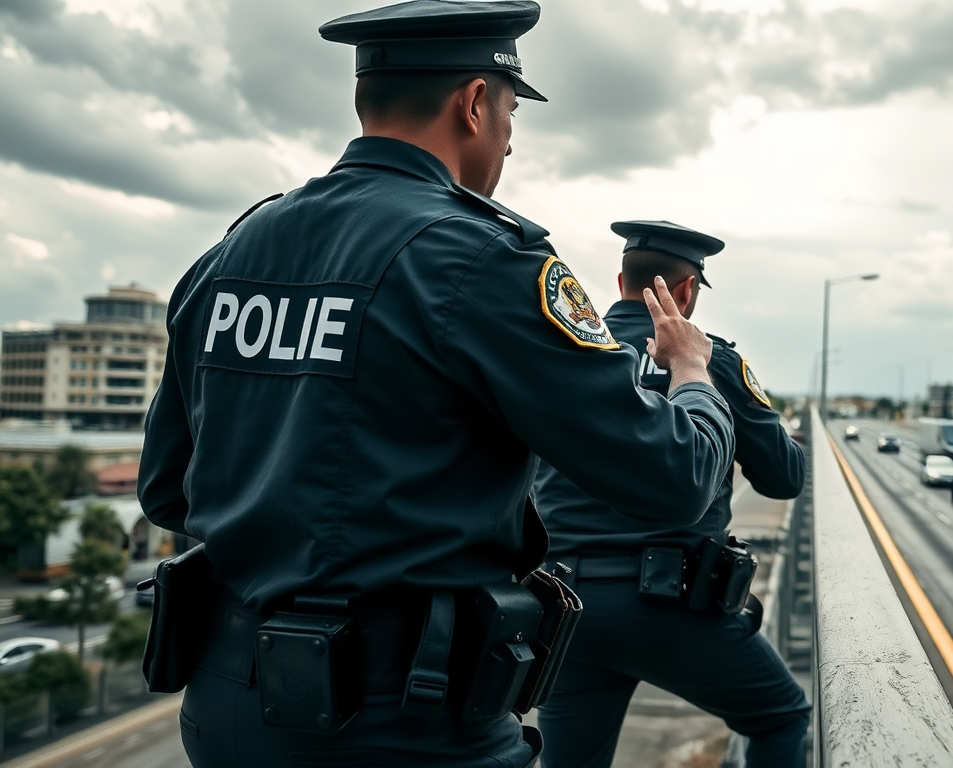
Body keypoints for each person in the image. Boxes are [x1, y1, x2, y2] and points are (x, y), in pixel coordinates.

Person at [135, 5, 737, 767]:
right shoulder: (480, 258)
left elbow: (167, 492)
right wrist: (692, 374)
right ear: (475, 103)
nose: (509, 140)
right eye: (512, 114)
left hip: (225, 713)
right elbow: (674, 477)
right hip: (402, 724)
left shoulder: (232, 250)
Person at [532, 220, 812, 768]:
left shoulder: (566, 351)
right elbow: (784, 478)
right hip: (671, 606)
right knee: (781, 717)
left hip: (567, 606)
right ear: (686, 292)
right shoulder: (712, 363)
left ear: (620, 282)